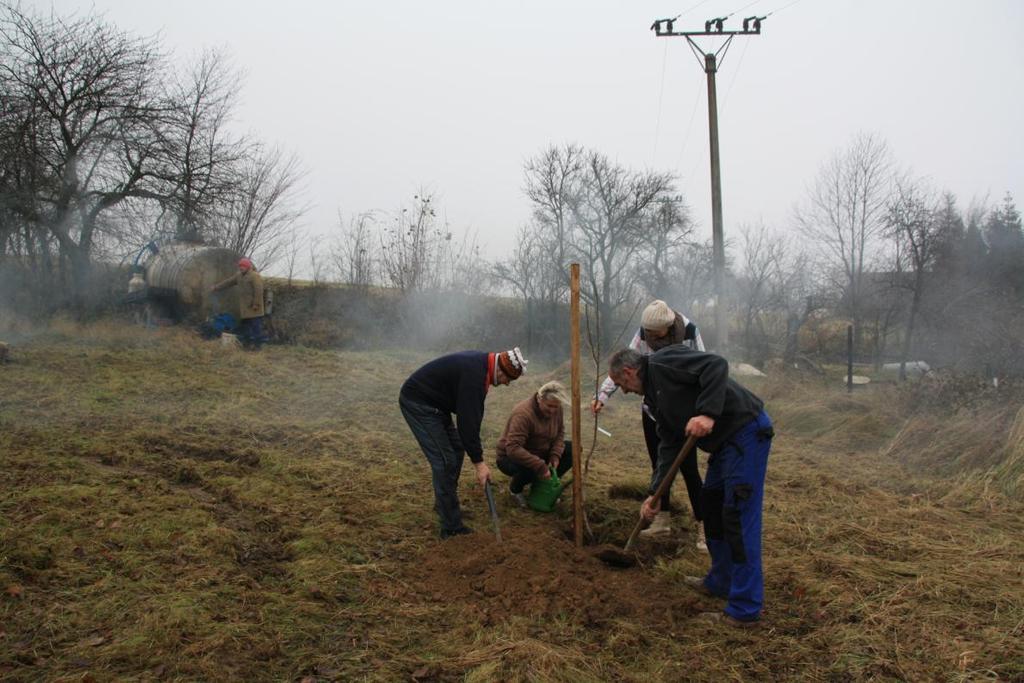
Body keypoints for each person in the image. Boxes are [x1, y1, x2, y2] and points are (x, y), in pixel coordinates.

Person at [609, 346, 773, 627]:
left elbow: (716, 365)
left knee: (737, 517)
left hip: (745, 432)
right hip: (723, 447)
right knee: (710, 507)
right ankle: (721, 581)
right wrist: (655, 493)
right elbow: (669, 443)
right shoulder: (653, 398)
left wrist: (707, 413)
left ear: (629, 372)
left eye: (621, 384)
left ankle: (744, 609)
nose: (623, 391)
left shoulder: (664, 363)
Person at [592, 299, 706, 542]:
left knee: (689, 469)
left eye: (655, 333)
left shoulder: (689, 331)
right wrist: (603, 395)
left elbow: (703, 366)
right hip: (653, 407)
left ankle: (703, 526)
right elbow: (626, 366)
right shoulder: (644, 332)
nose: (649, 337)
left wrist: (700, 409)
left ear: (668, 327)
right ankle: (661, 520)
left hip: (682, 412)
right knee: (659, 464)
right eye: (648, 333)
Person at [400, 347, 528, 539]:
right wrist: (479, 463)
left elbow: (472, 416)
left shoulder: (482, 366)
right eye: (508, 379)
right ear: (500, 371)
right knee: (445, 462)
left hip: (436, 404)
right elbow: (467, 424)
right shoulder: (475, 377)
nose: (507, 384)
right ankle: (451, 528)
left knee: (456, 449)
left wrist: (475, 452)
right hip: (419, 403)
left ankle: (445, 505)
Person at [496, 380, 573, 507]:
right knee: (530, 467)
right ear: (539, 399)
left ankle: (543, 484)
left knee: (572, 450)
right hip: (510, 458)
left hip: (540, 451)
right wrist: (540, 466)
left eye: (556, 407)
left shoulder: (556, 408)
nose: (553, 411)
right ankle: (515, 490)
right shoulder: (523, 414)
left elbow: (560, 433)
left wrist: (555, 455)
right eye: (549, 406)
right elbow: (513, 448)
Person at [211, 257, 266, 349]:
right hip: (245, 307)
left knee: (256, 326)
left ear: (248, 267)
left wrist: (256, 304)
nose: (241, 268)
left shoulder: (254, 276)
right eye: (240, 266)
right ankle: (247, 344)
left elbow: (259, 291)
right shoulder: (239, 276)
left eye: (243, 266)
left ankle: (257, 346)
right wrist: (216, 287)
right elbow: (228, 282)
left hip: (254, 306)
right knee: (246, 327)